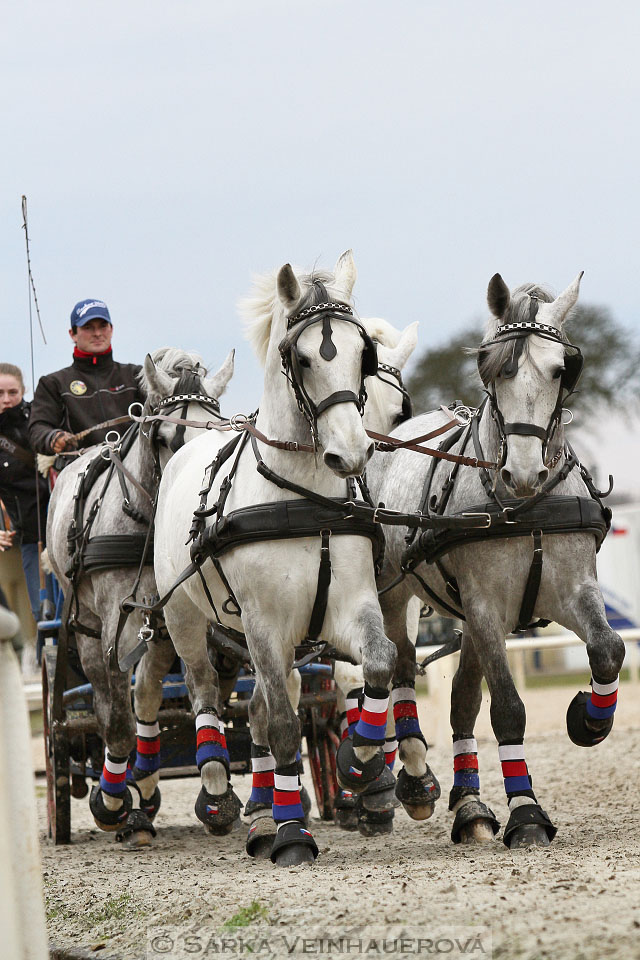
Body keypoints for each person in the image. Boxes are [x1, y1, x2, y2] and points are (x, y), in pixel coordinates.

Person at [28, 298, 145, 455]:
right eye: (88, 327)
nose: (97, 333)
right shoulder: (53, 383)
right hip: (78, 468)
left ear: (112, 329)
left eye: (103, 326)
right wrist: (53, 437)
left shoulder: (136, 375)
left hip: (135, 465)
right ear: (73, 334)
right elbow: (37, 429)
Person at [0, 363, 52, 641]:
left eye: (12, 392)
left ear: (24, 391)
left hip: (68, 530)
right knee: (42, 614)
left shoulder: (40, 420)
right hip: (32, 539)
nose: (6, 399)